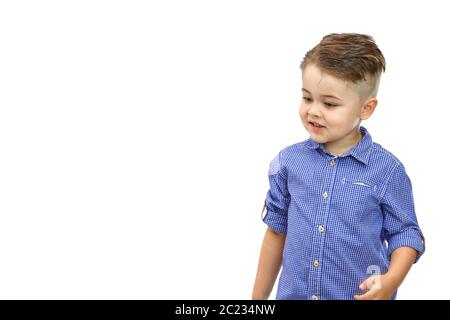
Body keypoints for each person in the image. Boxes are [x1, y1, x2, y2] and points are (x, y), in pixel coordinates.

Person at [252, 33, 425, 300]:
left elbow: (405, 233)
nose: (314, 111)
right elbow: (276, 230)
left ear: (366, 109)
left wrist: (390, 281)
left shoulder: (386, 170)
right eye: (307, 98)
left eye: (330, 104)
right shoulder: (288, 162)